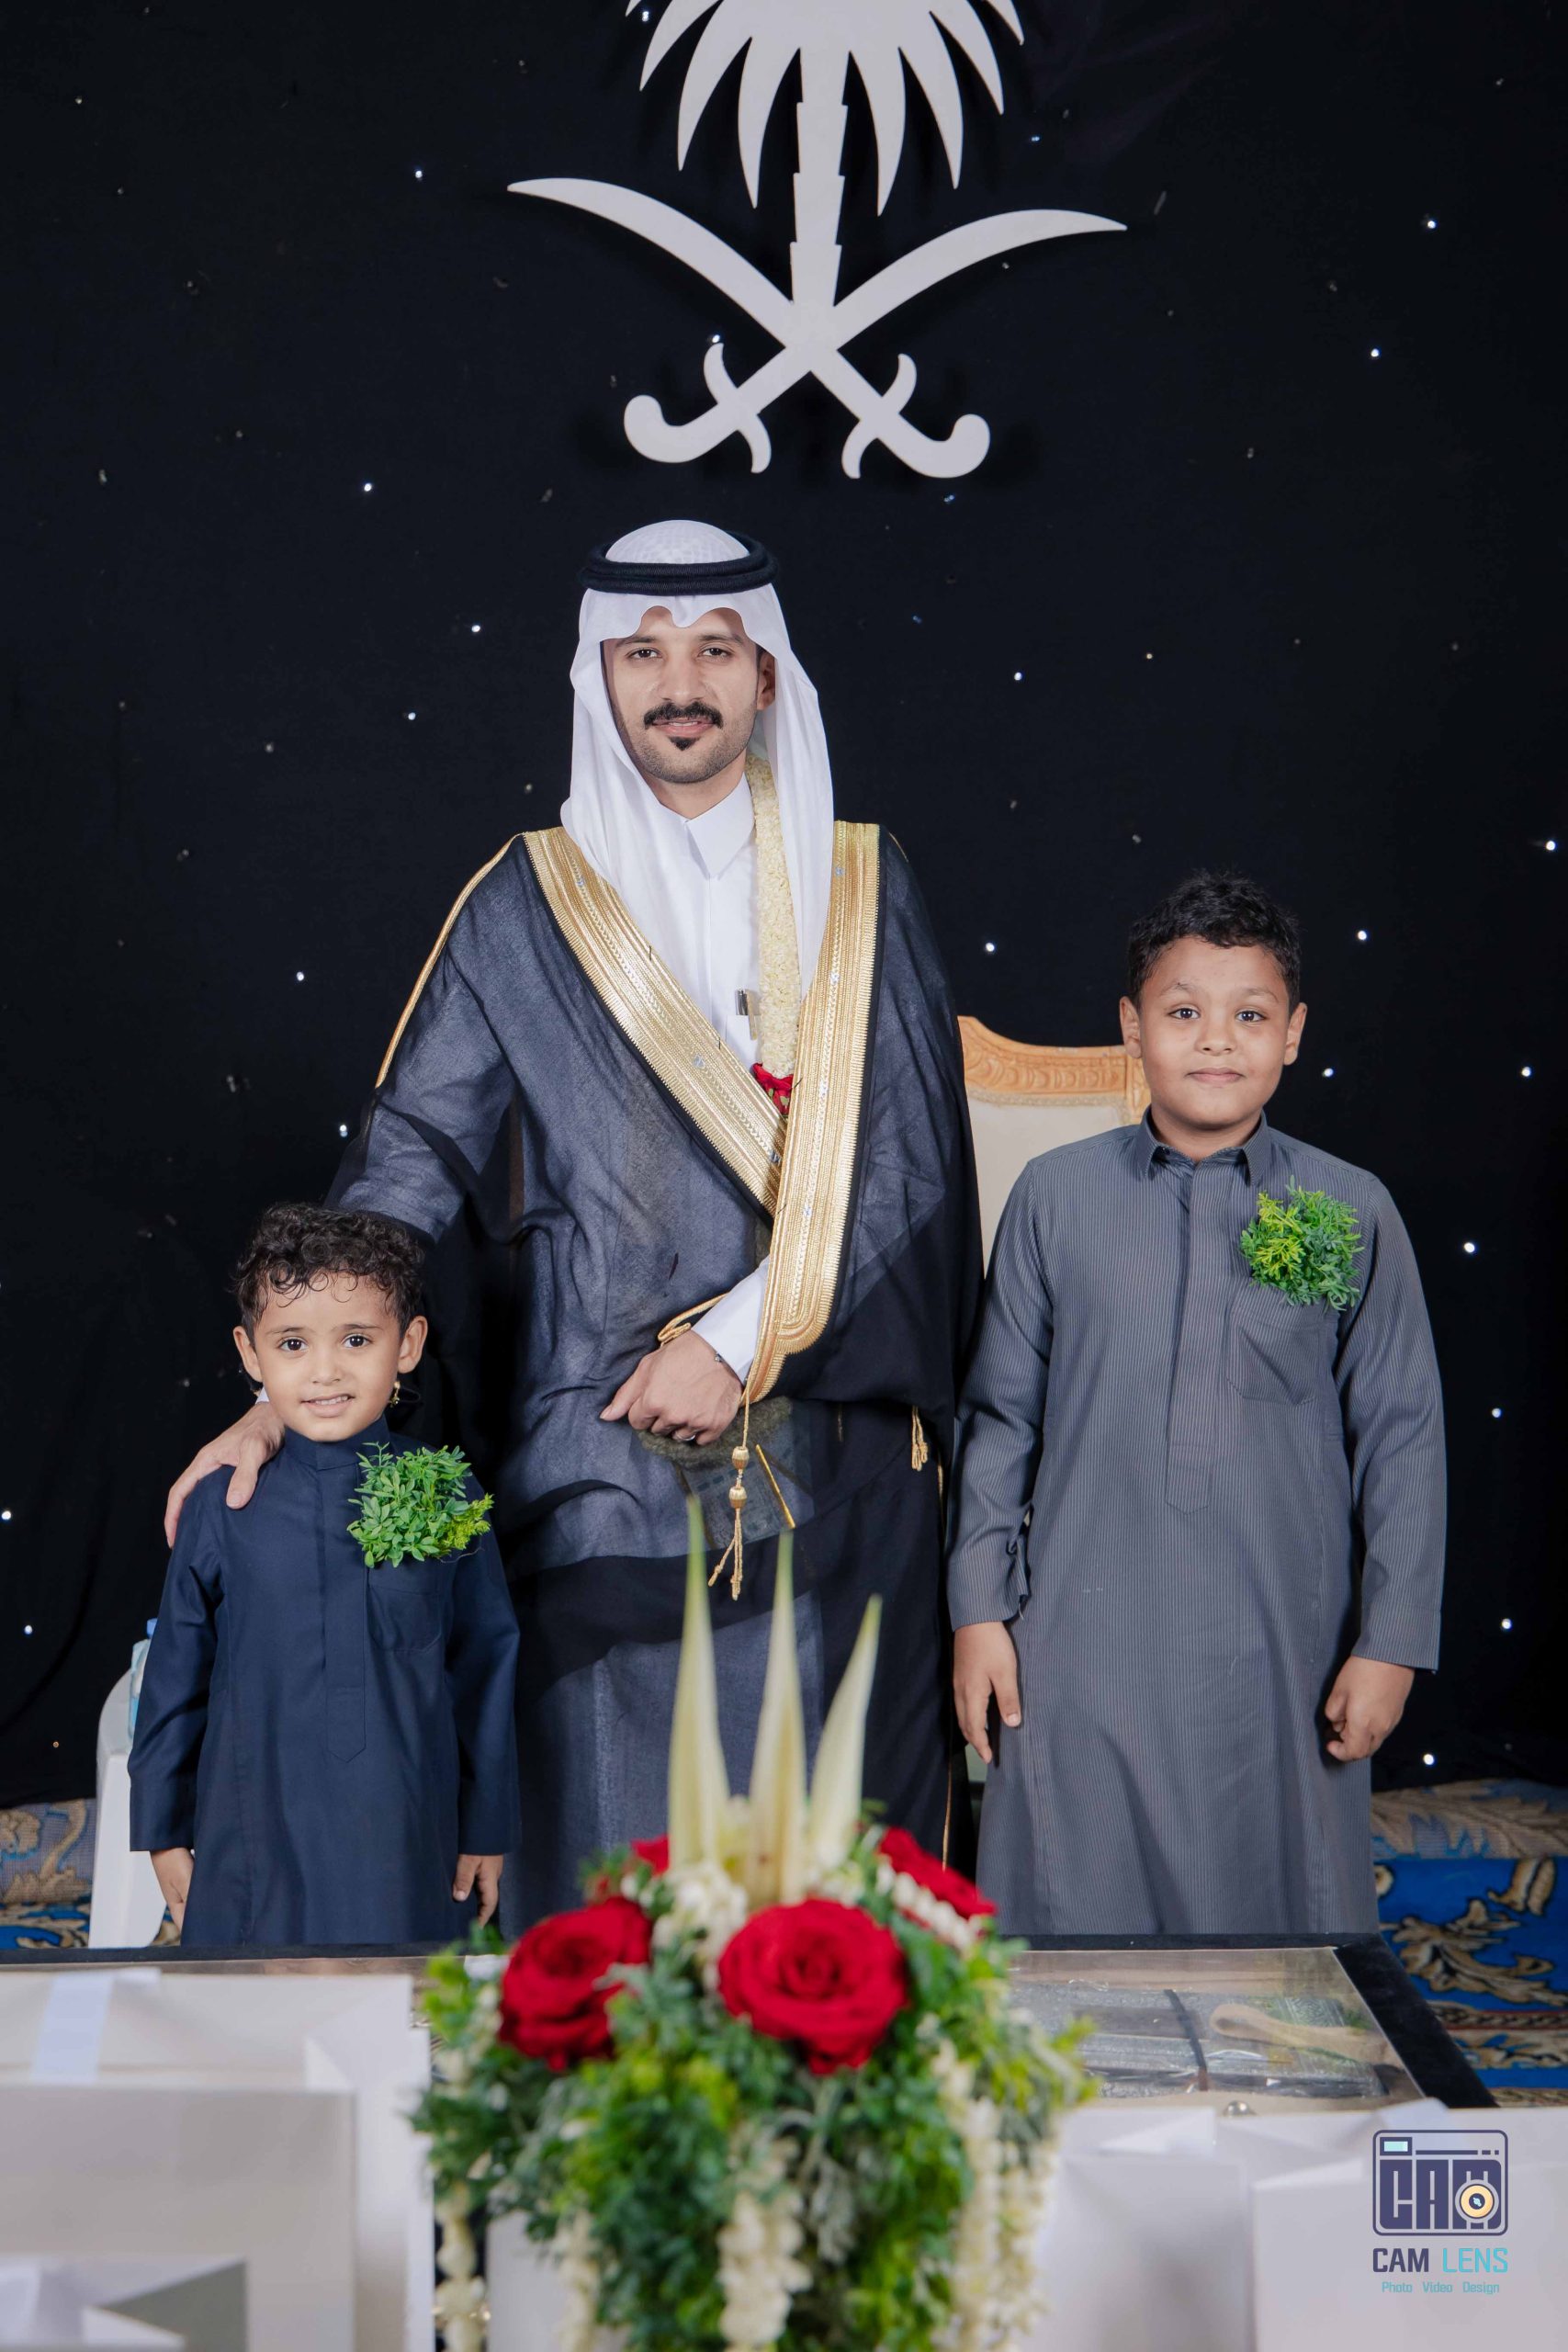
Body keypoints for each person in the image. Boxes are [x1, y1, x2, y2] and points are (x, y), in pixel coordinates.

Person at [164, 522, 980, 1922]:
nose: (680, 684)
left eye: (714, 650)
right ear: (597, 678)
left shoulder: (862, 884)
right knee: (610, 1872)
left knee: (824, 1896)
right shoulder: (520, 906)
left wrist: (735, 1344)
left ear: (765, 677)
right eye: (642, 653)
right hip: (597, 1435)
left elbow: (907, 1176)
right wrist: (280, 1402)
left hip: (832, 1428)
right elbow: (409, 1160)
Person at [948, 873, 1445, 1935]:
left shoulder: (1351, 1206)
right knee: (1072, 1917)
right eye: (1183, 1011)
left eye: (1250, 1015)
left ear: (1293, 1033)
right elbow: (998, 1420)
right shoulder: (1054, 1197)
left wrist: (1393, 1641)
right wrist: (978, 1610)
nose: (1217, 1039)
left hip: (1282, 1642)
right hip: (1081, 1640)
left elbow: (1403, 1437)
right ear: (1132, 1028)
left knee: (1280, 1928)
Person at [131, 1204, 521, 1945]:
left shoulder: (446, 1492)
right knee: (255, 2006)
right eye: (292, 1343)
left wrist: (486, 1827)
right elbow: (173, 1679)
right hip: (251, 1828)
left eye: (356, 1339)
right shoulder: (223, 1503)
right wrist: (161, 1831)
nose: (325, 1371)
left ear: (408, 1345)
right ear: (251, 1355)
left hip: (407, 1833)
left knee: (400, 2006)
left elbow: (484, 1666)